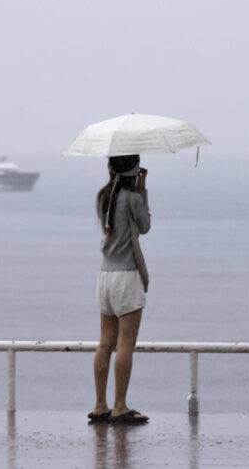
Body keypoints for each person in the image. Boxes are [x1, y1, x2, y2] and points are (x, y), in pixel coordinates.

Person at [88, 154, 151, 425]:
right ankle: (120, 405)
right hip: (126, 276)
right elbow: (145, 227)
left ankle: (100, 405)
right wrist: (142, 190)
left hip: (105, 274)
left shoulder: (104, 196)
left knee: (105, 343)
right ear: (134, 169)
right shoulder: (132, 197)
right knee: (126, 343)